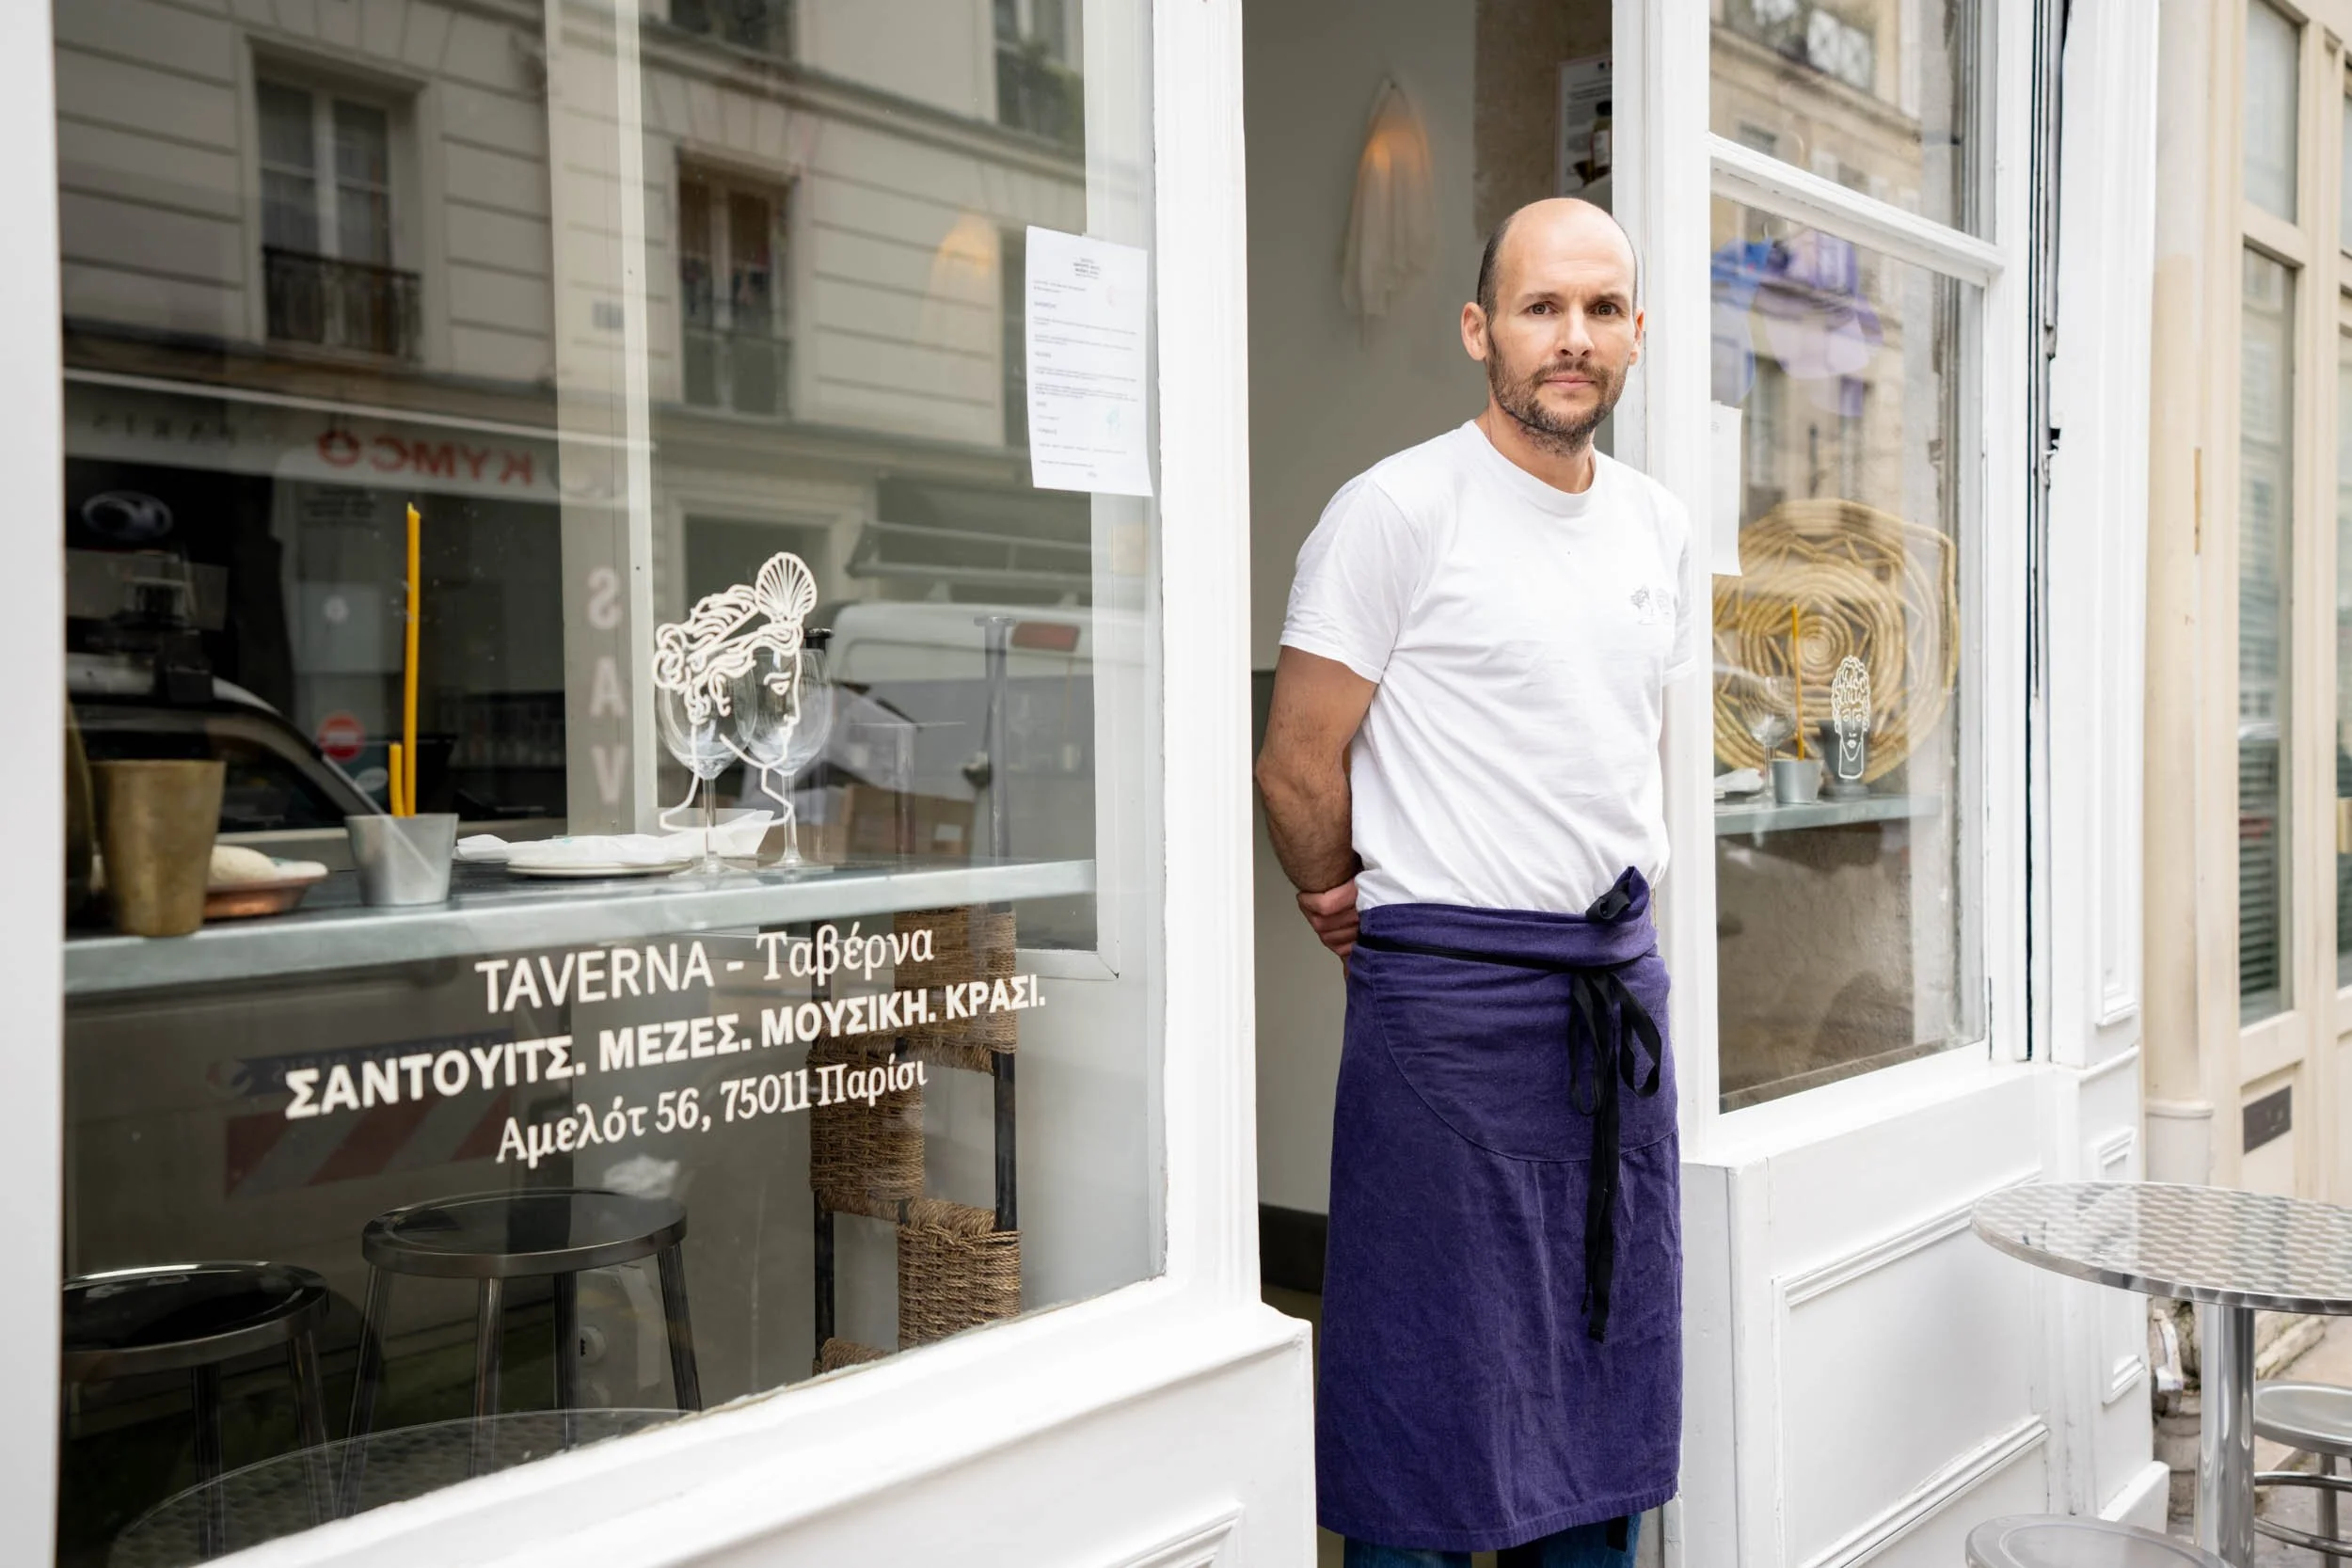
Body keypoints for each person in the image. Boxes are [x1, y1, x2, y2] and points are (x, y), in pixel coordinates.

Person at [1254, 198, 1694, 1567]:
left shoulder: (1660, 529)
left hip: (1607, 1011)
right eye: (1542, 307)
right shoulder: (1396, 510)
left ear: (1636, 333)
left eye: (1602, 309)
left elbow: (1633, 755)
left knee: (1599, 1373)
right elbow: (1296, 761)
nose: (1574, 337)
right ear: (1478, 328)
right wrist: (1344, 905)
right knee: (1429, 1405)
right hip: (1443, 1013)